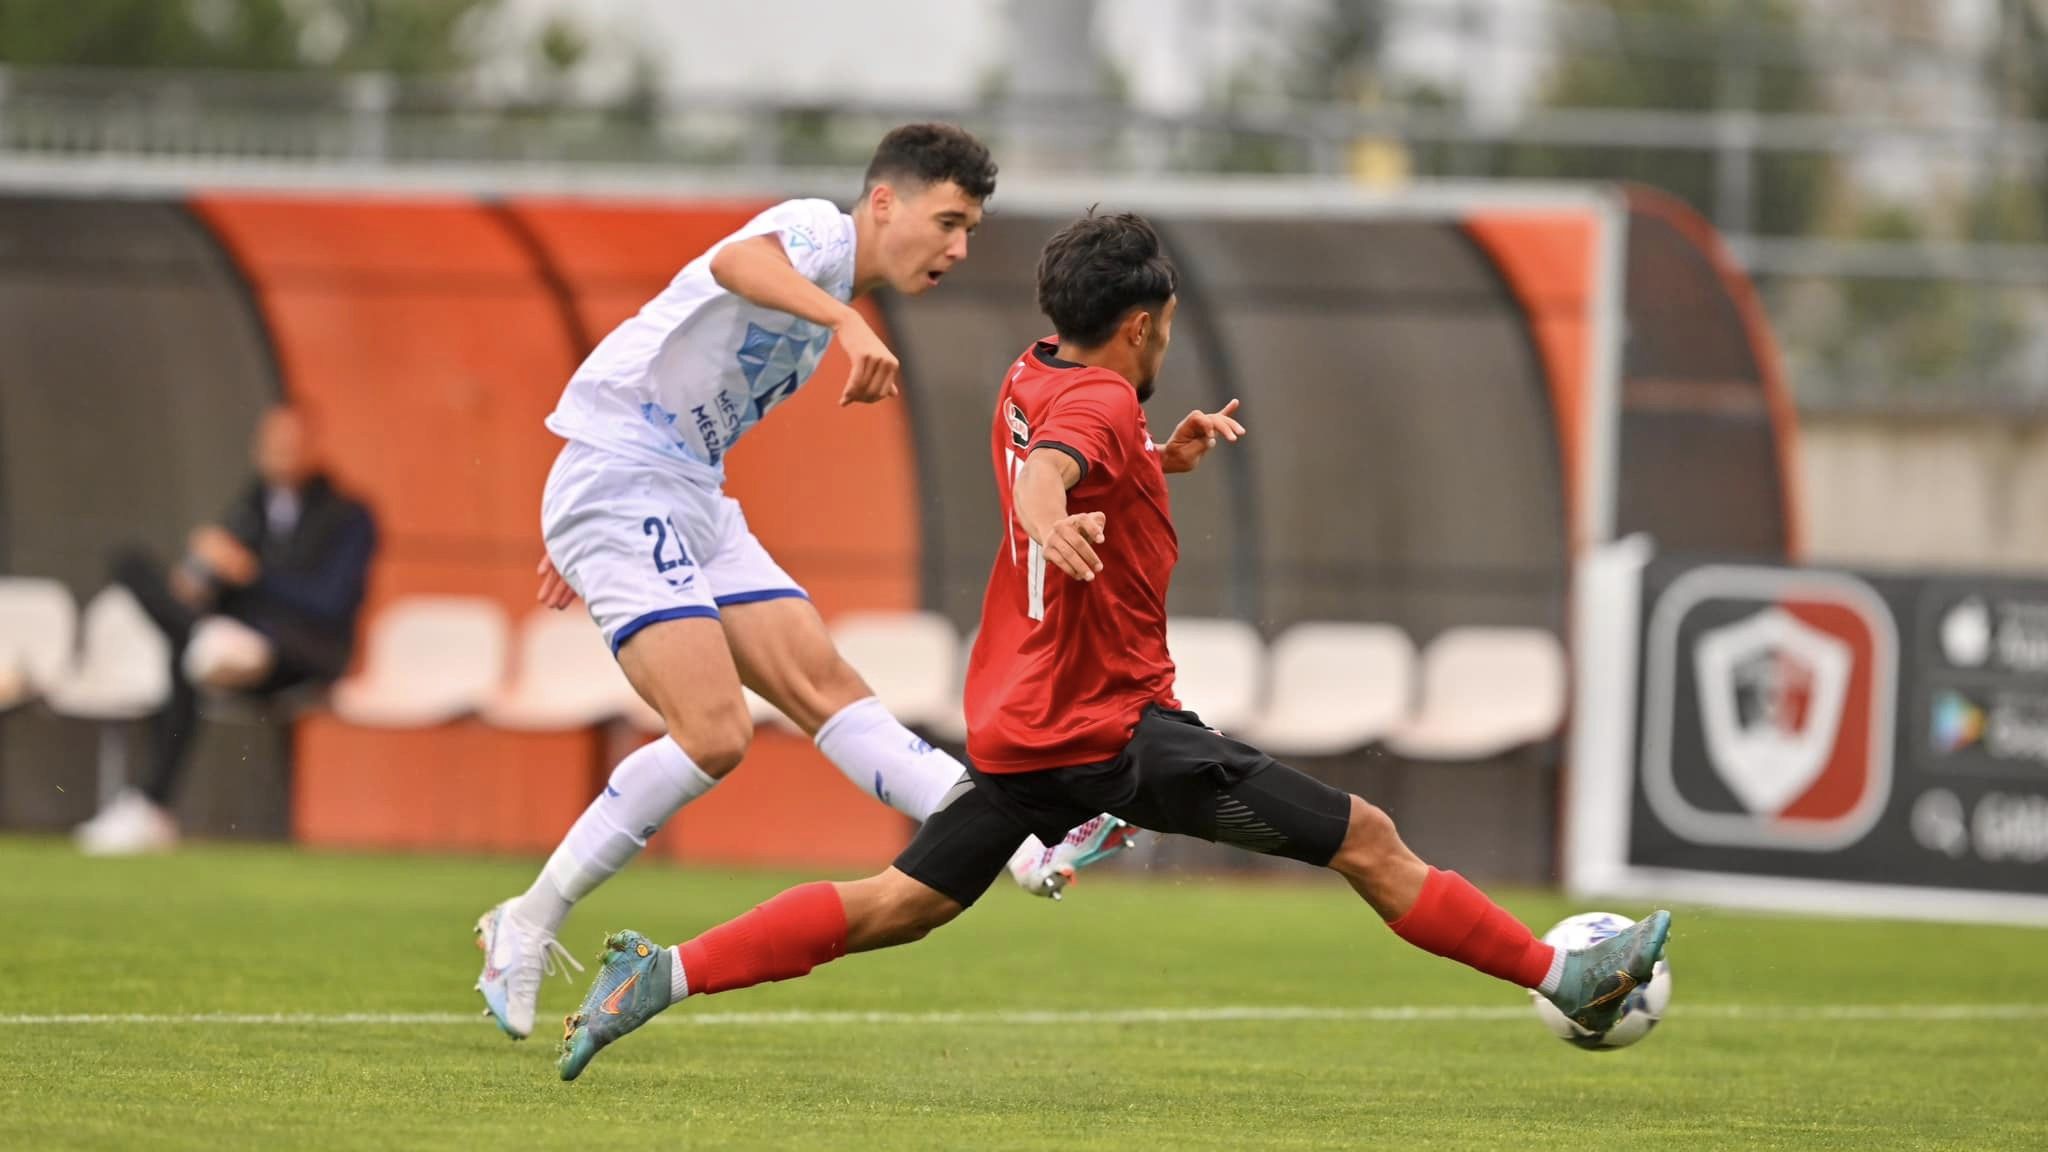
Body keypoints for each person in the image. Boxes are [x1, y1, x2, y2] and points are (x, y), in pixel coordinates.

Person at [553, 210, 1673, 1082]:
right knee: (1369, 842)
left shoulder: (1034, 372)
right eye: (1169, 323)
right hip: (1109, 734)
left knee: (896, 904)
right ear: (1141, 325)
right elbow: (1056, 465)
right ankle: (1566, 976)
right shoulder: (1088, 408)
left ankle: (661, 973)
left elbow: (1064, 440)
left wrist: (1154, 460)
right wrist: (1047, 507)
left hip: (1014, 727)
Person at [474, 124, 1136, 1041]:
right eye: (948, 221)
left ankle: (1023, 847)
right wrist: (842, 320)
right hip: (624, 483)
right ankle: (529, 919)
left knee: (828, 689)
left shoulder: (832, 285)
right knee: (715, 733)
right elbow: (737, 260)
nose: (958, 247)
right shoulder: (815, 237)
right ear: (883, 204)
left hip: (680, 495)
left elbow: (671, 365)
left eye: (972, 230)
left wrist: (588, 508)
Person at [74, 404, 376, 855]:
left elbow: (330, 604)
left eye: (290, 443)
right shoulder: (251, 505)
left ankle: (150, 806)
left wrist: (252, 573)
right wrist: (199, 575)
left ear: (313, 446)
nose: (280, 453)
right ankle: (199, 635)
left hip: (296, 651)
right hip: (227, 641)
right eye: (271, 444)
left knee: (186, 649)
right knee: (135, 567)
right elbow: (222, 578)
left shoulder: (350, 517)